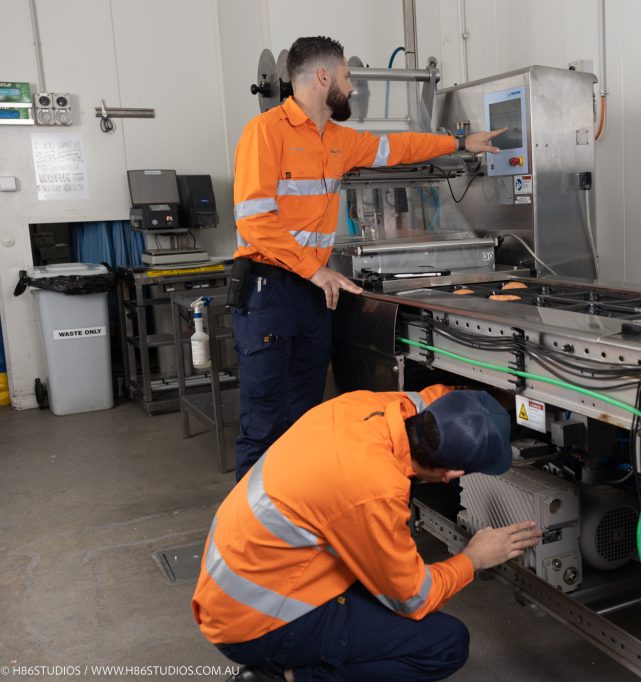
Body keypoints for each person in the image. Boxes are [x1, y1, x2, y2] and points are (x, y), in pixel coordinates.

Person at [231, 35, 506, 479]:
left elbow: (400, 147)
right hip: (269, 293)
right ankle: (249, 534)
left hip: (312, 294)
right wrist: (317, 271)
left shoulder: (339, 140)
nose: (353, 86)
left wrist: (459, 143)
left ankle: (298, 516)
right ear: (323, 77)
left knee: (305, 417)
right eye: (346, 76)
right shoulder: (264, 133)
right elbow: (255, 221)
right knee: (264, 419)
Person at [192, 386, 541, 681]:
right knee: (444, 643)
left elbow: (435, 398)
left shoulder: (366, 406)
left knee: (383, 584)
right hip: (255, 622)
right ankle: (284, 676)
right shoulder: (374, 489)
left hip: (237, 577)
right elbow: (413, 599)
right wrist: (474, 558)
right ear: (451, 473)